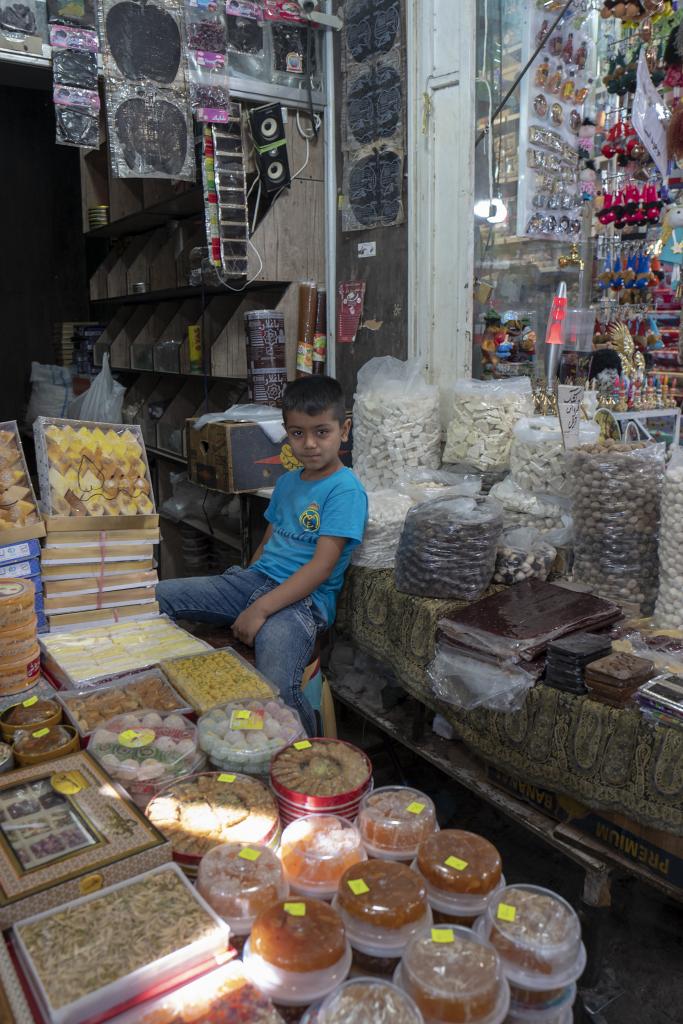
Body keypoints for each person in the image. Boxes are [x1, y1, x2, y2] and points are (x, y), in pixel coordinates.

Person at [157, 376, 368, 735]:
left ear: (344, 430)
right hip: (256, 583)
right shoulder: (287, 482)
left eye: (322, 432)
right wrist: (244, 590)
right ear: (287, 434)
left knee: (276, 690)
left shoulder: (345, 490)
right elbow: (267, 544)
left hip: (302, 604)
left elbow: (320, 567)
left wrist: (261, 609)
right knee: (159, 596)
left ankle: (305, 758)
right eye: (298, 433)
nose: (310, 444)